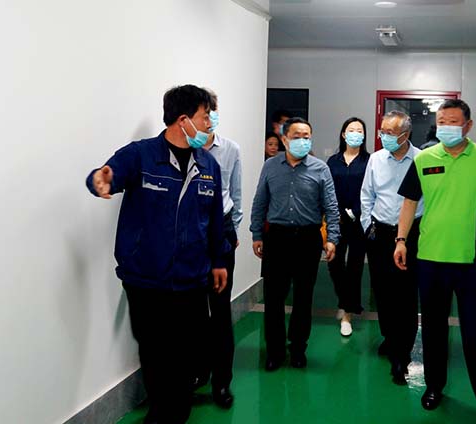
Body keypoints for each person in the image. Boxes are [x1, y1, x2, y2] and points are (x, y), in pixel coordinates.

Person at [85, 84, 228, 424]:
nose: (209, 124)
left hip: (191, 279)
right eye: (205, 117)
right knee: (154, 352)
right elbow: (107, 175)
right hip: (146, 279)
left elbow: (213, 221)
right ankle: (164, 413)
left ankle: (174, 412)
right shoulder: (141, 155)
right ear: (183, 120)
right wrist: (99, 181)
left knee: (187, 353)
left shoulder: (208, 165)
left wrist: (219, 261)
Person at [394, 99, 476, 424]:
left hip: (471, 263)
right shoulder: (424, 159)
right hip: (430, 261)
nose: (446, 126)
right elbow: (409, 202)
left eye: (453, 121)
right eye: (442, 121)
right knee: (433, 330)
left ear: (468, 125)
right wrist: (401, 240)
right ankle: (434, 387)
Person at [250, 117, 340, 371]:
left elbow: (331, 206)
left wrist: (332, 238)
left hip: (307, 239)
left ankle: (298, 348)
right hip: (277, 238)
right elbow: (260, 202)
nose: (302, 141)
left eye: (306, 137)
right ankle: (275, 351)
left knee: (303, 297)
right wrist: (256, 234)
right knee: (274, 297)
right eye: (297, 136)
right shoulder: (270, 166)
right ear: (284, 139)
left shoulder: (320, 168)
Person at [360, 110, 423, 385]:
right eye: (382, 131)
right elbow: (366, 195)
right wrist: (367, 226)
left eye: (389, 133)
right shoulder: (375, 159)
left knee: (406, 293)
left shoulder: (422, 159)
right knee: (382, 291)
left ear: (405, 135)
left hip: (411, 235)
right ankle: (389, 336)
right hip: (381, 233)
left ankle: (402, 355)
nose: (383, 136)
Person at [192, 88, 242, 409]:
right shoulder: (186, 149)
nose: (209, 119)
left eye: (212, 112)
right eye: (204, 113)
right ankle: (199, 371)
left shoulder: (230, 149)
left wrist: (232, 228)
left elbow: (235, 192)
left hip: (221, 231)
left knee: (220, 311)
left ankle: (222, 383)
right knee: (195, 310)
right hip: (191, 235)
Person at [326, 117, 370, 336]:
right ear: (343, 134)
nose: (355, 133)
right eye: (351, 130)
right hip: (336, 221)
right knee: (334, 264)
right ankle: (346, 301)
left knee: (355, 267)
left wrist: (355, 212)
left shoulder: (369, 161)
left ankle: (347, 314)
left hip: (359, 222)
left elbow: (371, 190)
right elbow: (326, 189)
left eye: (359, 130)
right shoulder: (333, 161)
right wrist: (334, 213)